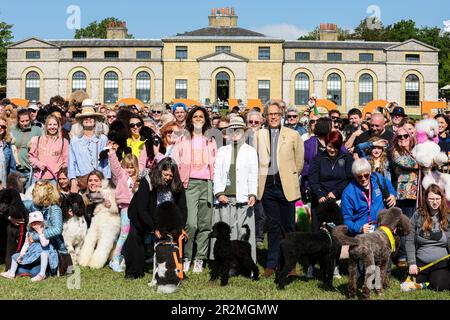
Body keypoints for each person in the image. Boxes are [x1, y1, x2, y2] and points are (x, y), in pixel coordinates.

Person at [253, 100, 304, 278]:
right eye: (270, 114)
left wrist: (288, 176)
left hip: (286, 187)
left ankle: (290, 266)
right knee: (274, 227)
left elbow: (299, 161)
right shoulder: (258, 135)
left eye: (276, 114)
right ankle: (271, 264)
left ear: (281, 115)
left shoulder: (293, 134)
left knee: (289, 227)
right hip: (267, 188)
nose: (273, 117)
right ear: (265, 117)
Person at [124, 157, 187, 279]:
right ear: (160, 172)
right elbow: (142, 209)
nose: (168, 178)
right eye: (165, 174)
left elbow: (182, 209)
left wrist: (181, 227)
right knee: (134, 235)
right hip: (144, 214)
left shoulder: (177, 184)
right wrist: (154, 228)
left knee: (178, 235)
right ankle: (134, 271)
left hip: (166, 216)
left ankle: (176, 270)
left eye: (170, 175)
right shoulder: (147, 181)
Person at [172, 106, 217, 274]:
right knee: (190, 223)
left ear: (205, 120)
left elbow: (217, 163)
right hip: (189, 184)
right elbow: (175, 162)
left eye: (201, 116)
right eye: (195, 116)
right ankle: (186, 256)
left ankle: (200, 258)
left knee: (205, 224)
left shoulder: (211, 140)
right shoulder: (183, 139)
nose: (198, 119)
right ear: (191, 119)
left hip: (207, 183)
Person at [212, 117, 258, 262]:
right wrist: (219, 193)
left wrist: (252, 194)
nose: (235, 133)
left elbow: (253, 174)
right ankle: (228, 263)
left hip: (244, 197)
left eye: (238, 130)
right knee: (228, 232)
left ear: (244, 132)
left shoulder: (250, 151)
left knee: (243, 231)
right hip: (226, 197)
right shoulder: (222, 151)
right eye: (232, 130)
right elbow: (217, 173)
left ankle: (246, 263)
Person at [406, 184, 450, 291]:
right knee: (413, 280)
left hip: (441, 263)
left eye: (437, 199)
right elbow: (409, 240)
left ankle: (430, 281)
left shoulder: (448, 215)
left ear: (442, 198)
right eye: (431, 199)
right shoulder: (418, 215)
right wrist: (412, 263)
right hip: (421, 261)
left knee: (440, 285)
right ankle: (425, 281)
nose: (435, 202)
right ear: (426, 199)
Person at [22, 180, 70, 276]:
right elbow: (16, 204)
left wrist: (36, 237)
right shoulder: (33, 206)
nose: (32, 193)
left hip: (52, 249)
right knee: (18, 266)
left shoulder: (55, 209)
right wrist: (11, 217)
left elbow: (57, 229)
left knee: (34, 272)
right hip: (36, 248)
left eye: (34, 192)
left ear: (42, 195)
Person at [309, 131, 353, 231]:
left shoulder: (347, 158)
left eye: (335, 147)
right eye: (330, 146)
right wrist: (319, 194)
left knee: (338, 232)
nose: (332, 150)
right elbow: (313, 178)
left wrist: (336, 192)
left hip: (339, 199)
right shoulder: (318, 159)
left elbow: (349, 178)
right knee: (318, 232)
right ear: (326, 144)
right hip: (321, 199)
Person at [341, 158, 397, 235]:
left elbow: (390, 187)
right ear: (354, 176)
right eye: (359, 177)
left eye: (366, 175)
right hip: (363, 233)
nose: (363, 179)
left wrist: (393, 195)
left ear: (370, 172)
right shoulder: (348, 193)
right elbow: (346, 220)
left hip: (382, 227)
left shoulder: (378, 178)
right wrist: (359, 228)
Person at [108, 145, 140, 273]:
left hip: (136, 208)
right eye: (127, 167)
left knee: (134, 233)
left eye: (132, 167)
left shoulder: (138, 179)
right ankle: (115, 259)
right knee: (124, 233)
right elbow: (115, 166)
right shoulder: (122, 176)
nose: (129, 170)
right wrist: (111, 153)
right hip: (126, 207)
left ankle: (128, 257)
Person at [0, 211, 57, 282]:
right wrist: (21, 254)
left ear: (42, 222)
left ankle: (42, 274)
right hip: (33, 253)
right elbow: (26, 244)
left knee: (44, 254)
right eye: (33, 223)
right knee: (15, 256)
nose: (35, 224)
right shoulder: (29, 233)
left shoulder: (45, 231)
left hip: (43, 253)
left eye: (37, 222)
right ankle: (11, 273)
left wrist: (39, 232)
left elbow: (44, 244)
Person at [68, 100, 110, 193]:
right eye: (85, 117)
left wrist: (107, 181)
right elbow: (72, 163)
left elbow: (106, 162)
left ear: (95, 120)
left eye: (91, 117)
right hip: (82, 181)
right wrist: (73, 181)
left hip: (99, 182)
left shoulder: (103, 139)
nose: (88, 119)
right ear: (81, 121)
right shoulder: (75, 140)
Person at [392, 127, 419, 266]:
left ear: (410, 137)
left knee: (412, 225)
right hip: (404, 195)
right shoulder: (396, 153)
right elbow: (409, 163)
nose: (402, 139)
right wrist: (423, 161)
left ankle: (411, 255)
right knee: (405, 225)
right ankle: (403, 255)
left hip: (416, 194)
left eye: (405, 136)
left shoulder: (415, 150)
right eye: (399, 137)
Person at [28, 115, 69, 184]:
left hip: (55, 179)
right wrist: (38, 164)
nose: (52, 127)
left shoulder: (64, 141)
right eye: (50, 124)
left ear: (58, 126)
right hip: (38, 178)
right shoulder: (38, 140)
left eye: (55, 124)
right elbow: (31, 157)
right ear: (46, 126)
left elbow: (66, 161)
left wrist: (59, 169)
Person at [302, 118, 333, 202]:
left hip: (331, 185)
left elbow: (344, 155)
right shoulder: (308, 144)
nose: (334, 129)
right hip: (314, 185)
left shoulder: (333, 142)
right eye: (332, 127)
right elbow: (303, 164)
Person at [10, 109, 42, 188]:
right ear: (18, 120)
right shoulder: (13, 130)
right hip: (15, 170)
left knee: (28, 196)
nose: (25, 123)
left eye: (27, 120)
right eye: (22, 121)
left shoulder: (37, 130)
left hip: (29, 169)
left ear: (30, 119)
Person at [0, 118, 16, 188]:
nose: (0, 128)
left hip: (3, 185)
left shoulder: (7, 145)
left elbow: (12, 167)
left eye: (3, 126)